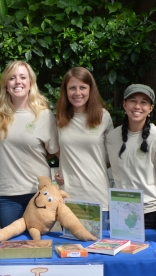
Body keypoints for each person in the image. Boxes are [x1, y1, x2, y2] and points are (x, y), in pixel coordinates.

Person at [0, 61, 59, 229]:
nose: (18, 82)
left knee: (39, 246)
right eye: (12, 78)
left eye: (23, 77)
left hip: (39, 193)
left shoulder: (45, 115)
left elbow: (54, 151)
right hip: (7, 195)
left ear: (31, 83)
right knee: (12, 247)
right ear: (6, 85)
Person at [105, 84, 156, 229]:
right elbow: (100, 164)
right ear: (124, 105)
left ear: (151, 108)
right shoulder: (111, 137)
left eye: (144, 102)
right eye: (132, 101)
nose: (137, 106)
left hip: (150, 213)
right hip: (120, 210)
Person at [54, 67, 114, 230]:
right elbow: (54, 149)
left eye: (82, 87)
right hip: (69, 198)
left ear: (90, 89)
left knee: (99, 252)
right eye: (72, 88)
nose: (77, 92)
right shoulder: (59, 119)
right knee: (71, 251)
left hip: (98, 197)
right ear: (66, 91)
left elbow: (111, 158)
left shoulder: (104, 117)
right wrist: (63, 167)